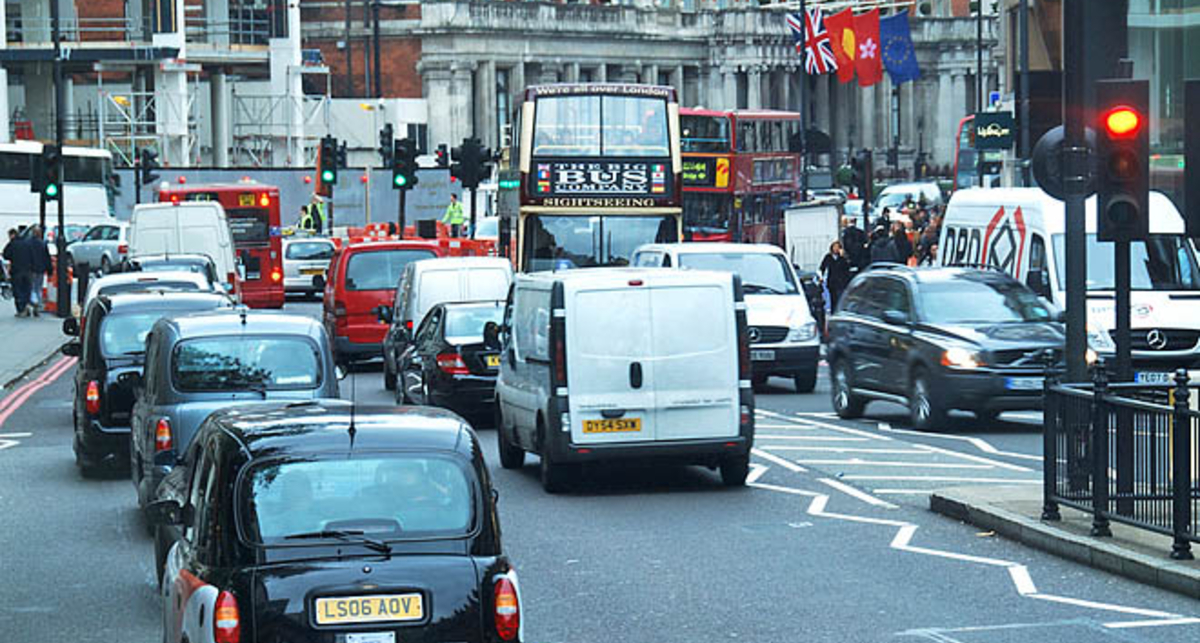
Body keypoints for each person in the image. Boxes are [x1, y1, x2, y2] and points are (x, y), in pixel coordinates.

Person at [3, 228, 35, 316]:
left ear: (12, 235)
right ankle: (27, 305)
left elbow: (6, 255)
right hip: (28, 270)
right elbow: (32, 256)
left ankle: (21, 310)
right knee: (26, 289)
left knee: (18, 291)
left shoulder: (12, 244)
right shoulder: (27, 243)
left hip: (16, 271)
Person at [819, 241, 852, 311]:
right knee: (833, 298)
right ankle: (833, 311)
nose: (836, 249)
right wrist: (821, 277)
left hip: (841, 281)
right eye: (835, 247)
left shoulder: (843, 258)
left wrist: (844, 257)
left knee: (840, 298)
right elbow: (822, 267)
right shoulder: (828, 257)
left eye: (838, 247)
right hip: (832, 281)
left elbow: (847, 267)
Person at [28, 226, 52, 316]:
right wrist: (49, 270)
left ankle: (34, 301)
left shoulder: (28, 243)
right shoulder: (43, 244)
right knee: (38, 287)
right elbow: (47, 258)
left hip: (31, 269)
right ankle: (37, 303)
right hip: (41, 269)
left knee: (32, 287)